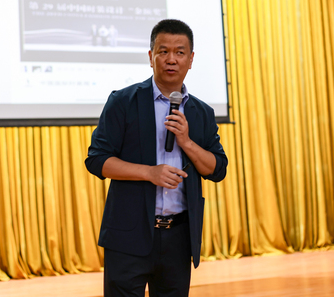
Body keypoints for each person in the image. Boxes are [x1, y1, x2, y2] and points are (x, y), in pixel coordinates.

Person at [85, 19, 228, 297]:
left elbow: (217, 169)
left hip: (178, 237)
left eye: (179, 52)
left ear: (191, 59)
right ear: (151, 56)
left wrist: (186, 142)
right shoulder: (123, 101)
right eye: (163, 51)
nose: (171, 59)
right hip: (128, 235)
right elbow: (97, 160)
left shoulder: (201, 113)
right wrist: (149, 173)